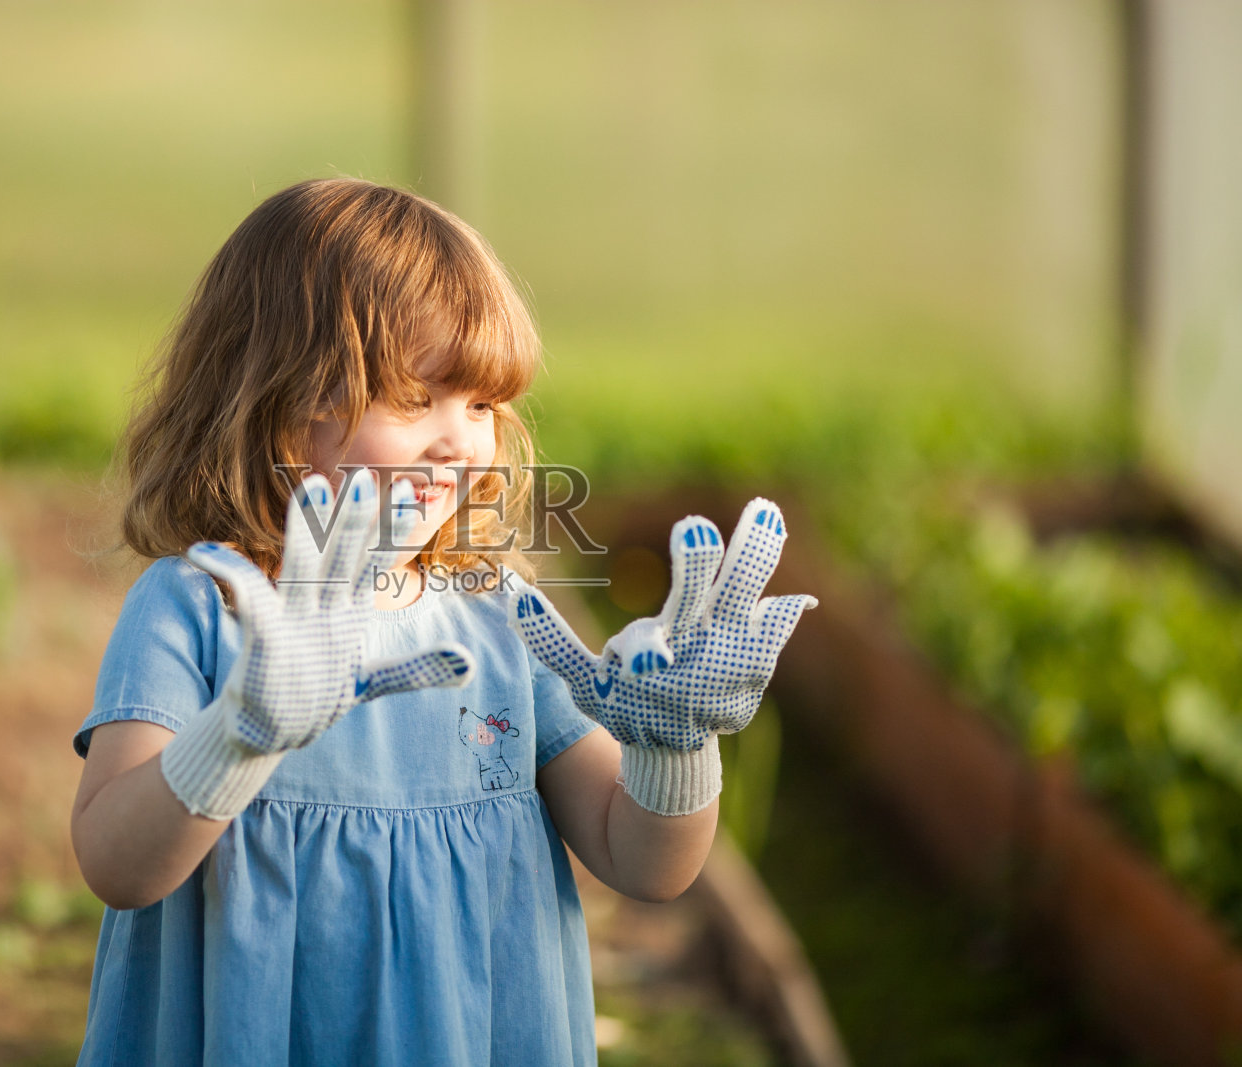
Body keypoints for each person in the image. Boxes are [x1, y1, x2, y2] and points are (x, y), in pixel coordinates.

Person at [69, 178, 816, 1066]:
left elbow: (648, 863)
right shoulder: (198, 606)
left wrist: (674, 749)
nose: (460, 442)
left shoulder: (499, 618)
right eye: (416, 400)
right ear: (276, 394)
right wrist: (239, 736)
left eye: (482, 406)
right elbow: (117, 864)